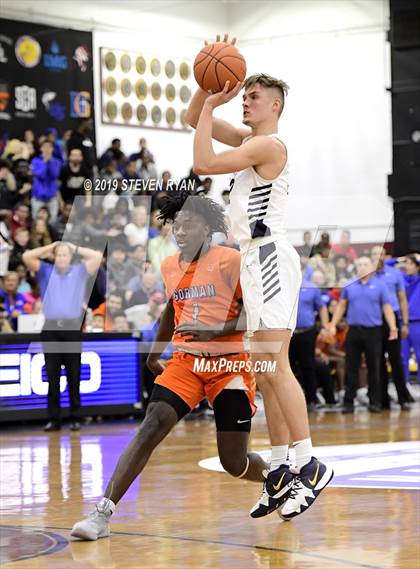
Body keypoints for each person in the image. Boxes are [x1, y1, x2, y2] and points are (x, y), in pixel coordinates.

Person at [185, 34, 333, 520]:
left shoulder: (267, 144)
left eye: (251, 96)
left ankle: (309, 463)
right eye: (242, 94)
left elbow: (202, 161)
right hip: (253, 257)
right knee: (265, 372)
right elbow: (193, 122)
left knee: (276, 364)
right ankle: (280, 466)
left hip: (268, 254)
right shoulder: (251, 141)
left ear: (274, 105)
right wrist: (208, 94)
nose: (244, 100)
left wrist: (213, 101)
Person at [71, 192, 267, 541]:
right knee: (152, 425)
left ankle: (274, 480)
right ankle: (103, 511)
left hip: (230, 364)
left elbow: (256, 314)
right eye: (175, 225)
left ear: (206, 227)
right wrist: (154, 352)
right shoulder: (169, 265)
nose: (179, 231)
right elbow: (172, 309)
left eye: (187, 225)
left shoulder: (231, 261)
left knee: (233, 461)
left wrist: (212, 331)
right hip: (186, 362)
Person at [23, 241, 102, 431]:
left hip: (72, 329)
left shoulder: (79, 270)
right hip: (50, 330)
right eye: (58, 255)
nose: (61, 258)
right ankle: (54, 419)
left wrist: (72, 247)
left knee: (74, 375)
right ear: (54, 256)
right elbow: (27, 257)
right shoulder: (45, 270)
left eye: (65, 255)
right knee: (52, 376)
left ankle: (75, 417)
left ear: (71, 257)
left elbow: (97, 256)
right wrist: (52, 246)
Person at [328, 256, 398, 413]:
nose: (362, 267)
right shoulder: (349, 285)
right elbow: (341, 306)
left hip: (373, 332)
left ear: (371, 267)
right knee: (351, 366)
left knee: (374, 367)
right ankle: (348, 401)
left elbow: (387, 307)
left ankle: (375, 401)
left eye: (365, 264)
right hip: (353, 331)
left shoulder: (380, 285)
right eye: (359, 265)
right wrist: (332, 324)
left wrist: (393, 327)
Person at [371, 246, 412, 408]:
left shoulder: (395, 274)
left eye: (380, 253)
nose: (377, 256)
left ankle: (403, 398)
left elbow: (402, 300)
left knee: (395, 359)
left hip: (392, 319)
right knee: (378, 360)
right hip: (374, 320)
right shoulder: (367, 275)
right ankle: (383, 399)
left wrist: (405, 323)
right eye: (374, 254)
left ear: (385, 256)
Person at [289, 277, 329, 410]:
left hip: (307, 332)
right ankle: (290, 401)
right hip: (287, 333)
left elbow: (322, 308)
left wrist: (324, 326)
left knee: (308, 366)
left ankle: (311, 400)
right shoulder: (283, 284)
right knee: (287, 368)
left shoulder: (312, 287)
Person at [30, 140, 61, 222]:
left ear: (52, 149)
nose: (47, 149)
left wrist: (49, 162)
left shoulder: (56, 162)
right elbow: (39, 174)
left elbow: (54, 174)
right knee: (36, 222)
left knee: (53, 222)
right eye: (45, 147)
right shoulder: (35, 161)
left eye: (49, 147)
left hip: (51, 198)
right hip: (37, 198)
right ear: (41, 149)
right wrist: (45, 162)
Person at [401, 254, 420, 384]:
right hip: (402, 323)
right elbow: (386, 264)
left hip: (417, 323)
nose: (406, 266)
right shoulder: (400, 279)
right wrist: (399, 259)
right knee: (402, 356)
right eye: (405, 263)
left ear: (417, 266)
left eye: (410, 263)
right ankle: (404, 387)